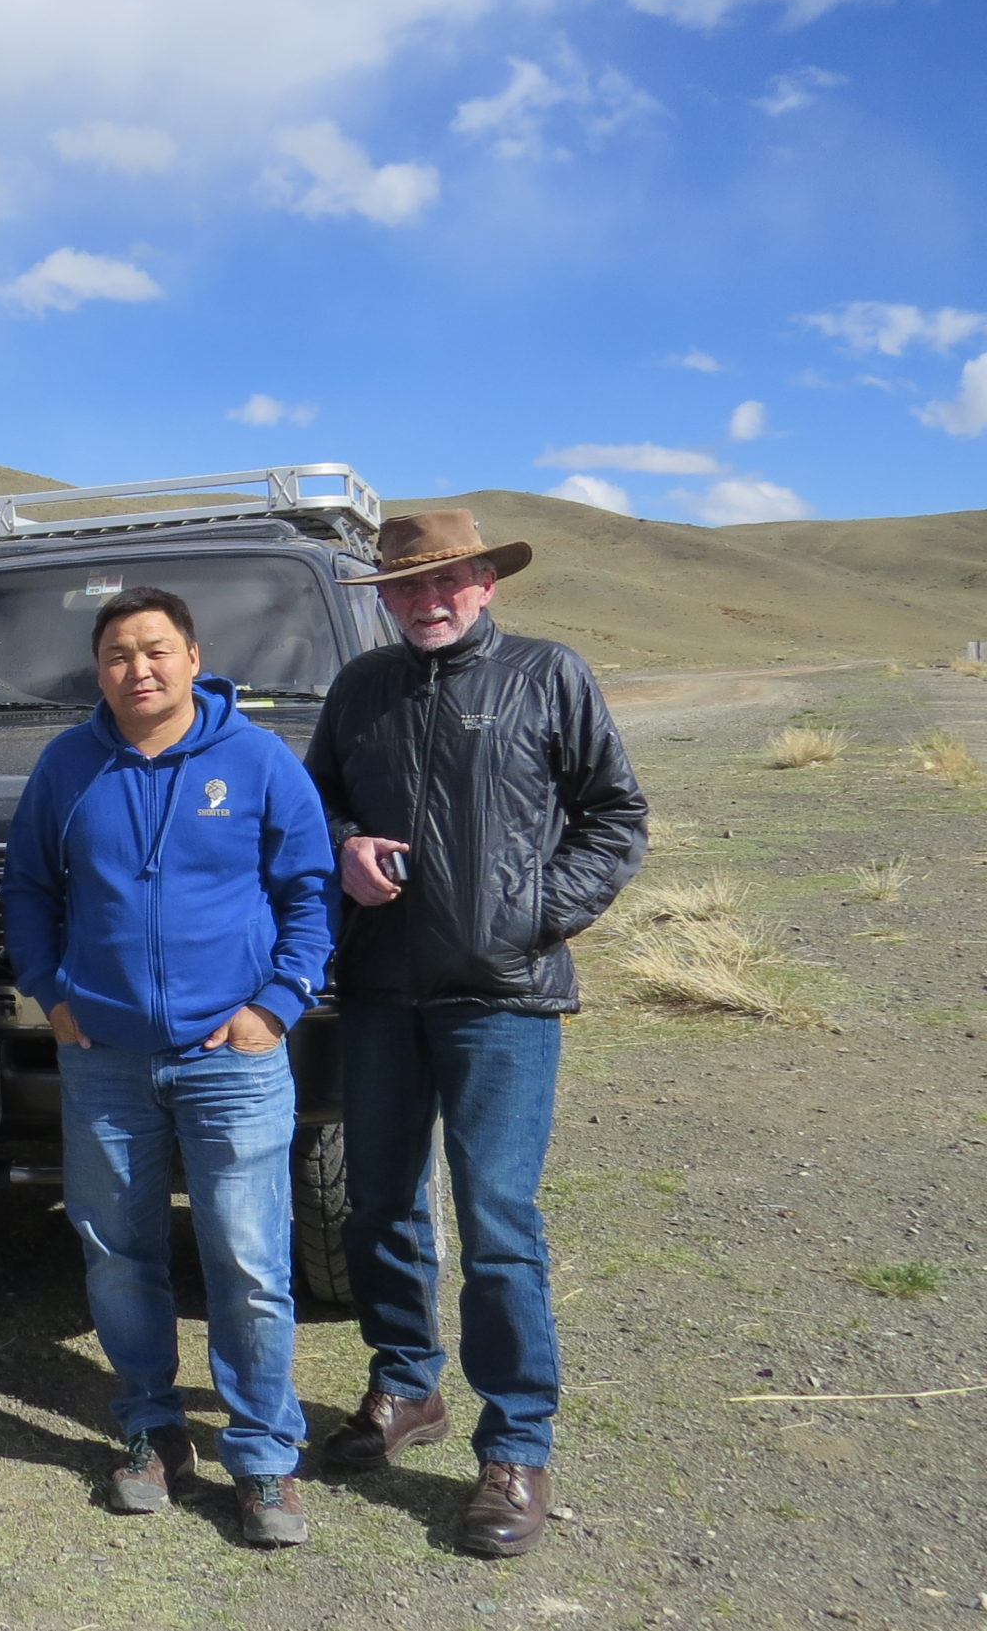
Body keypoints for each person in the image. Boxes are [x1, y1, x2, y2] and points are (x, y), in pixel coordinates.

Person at [306, 511, 646, 1558]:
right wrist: (344, 844)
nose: (427, 600)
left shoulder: (549, 676)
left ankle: (517, 1444)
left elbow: (615, 817)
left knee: (498, 1223)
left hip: (504, 996)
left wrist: (533, 913)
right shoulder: (359, 688)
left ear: (486, 582)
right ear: (385, 597)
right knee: (378, 1203)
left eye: (446, 580)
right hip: (379, 992)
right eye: (406, 587)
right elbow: (312, 808)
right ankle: (406, 1384)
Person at [3, 587, 334, 1546]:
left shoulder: (259, 760)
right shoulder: (67, 766)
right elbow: (29, 886)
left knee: (249, 1260)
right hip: (103, 1056)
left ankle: (266, 1456)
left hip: (229, 1057)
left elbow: (309, 892)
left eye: (154, 650)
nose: (136, 669)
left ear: (195, 654)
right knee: (118, 1256)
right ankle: (151, 1427)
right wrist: (50, 995)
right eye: (115, 654)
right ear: (96, 668)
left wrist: (274, 1007)